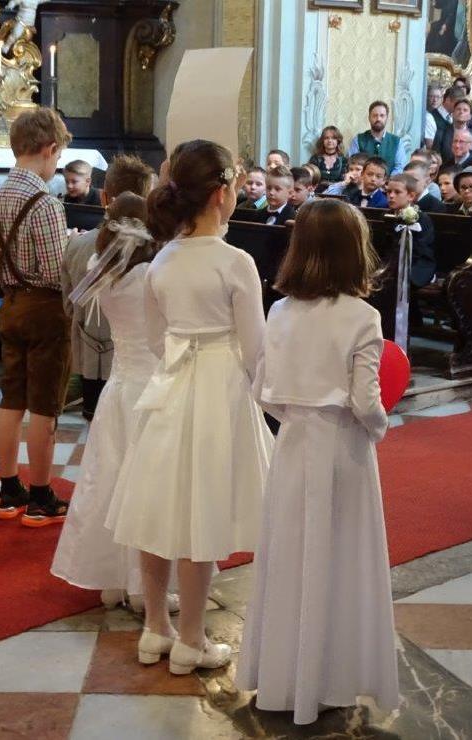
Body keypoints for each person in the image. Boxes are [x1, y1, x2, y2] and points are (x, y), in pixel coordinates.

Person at [106, 139, 273, 675]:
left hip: (170, 387)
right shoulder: (235, 262)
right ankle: (193, 640)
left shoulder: (162, 260)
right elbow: (257, 350)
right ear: (221, 194)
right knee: (203, 510)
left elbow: (157, 341)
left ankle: (156, 627)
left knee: (160, 507)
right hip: (220, 390)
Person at [235, 198, 398, 725]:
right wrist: (379, 428)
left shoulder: (280, 310)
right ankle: (331, 677)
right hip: (343, 449)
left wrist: (296, 415)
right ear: (355, 251)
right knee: (341, 558)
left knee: (289, 557)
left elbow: (262, 389)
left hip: (293, 445)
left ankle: (283, 677)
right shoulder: (363, 317)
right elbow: (366, 401)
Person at [52, 193, 178, 612]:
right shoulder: (150, 275)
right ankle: (143, 588)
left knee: (109, 479)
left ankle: (110, 581)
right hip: (152, 389)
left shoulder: (101, 269)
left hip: (119, 386)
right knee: (146, 488)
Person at [0, 108, 73, 527]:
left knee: (11, 399)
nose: (57, 166)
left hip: (10, 305)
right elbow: (54, 272)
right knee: (44, 406)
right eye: (59, 157)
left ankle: (8, 490)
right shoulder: (45, 203)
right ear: (49, 149)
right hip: (44, 310)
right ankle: (39, 496)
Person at [62, 154, 155, 422]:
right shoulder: (158, 258)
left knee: (100, 428)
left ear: (104, 197)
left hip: (91, 358)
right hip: (145, 366)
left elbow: (69, 305)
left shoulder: (78, 245)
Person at [386, 173, 436, 287]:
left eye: (397, 192)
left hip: (415, 264)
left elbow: (423, 250)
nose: (391, 196)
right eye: (389, 192)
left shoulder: (421, 218)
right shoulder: (386, 216)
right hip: (390, 264)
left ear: (411, 196)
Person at [347, 101, 407, 174]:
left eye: (382, 115)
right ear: (369, 118)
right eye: (375, 115)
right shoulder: (358, 140)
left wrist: (388, 180)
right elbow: (352, 164)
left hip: (389, 181)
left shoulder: (397, 142)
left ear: (387, 118)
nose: (378, 119)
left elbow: (400, 167)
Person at [438, 98, 472, 162]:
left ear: (470, 116)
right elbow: (435, 156)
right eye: (458, 109)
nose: (461, 112)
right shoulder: (441, 133)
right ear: (453, 114)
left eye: (465, 110)